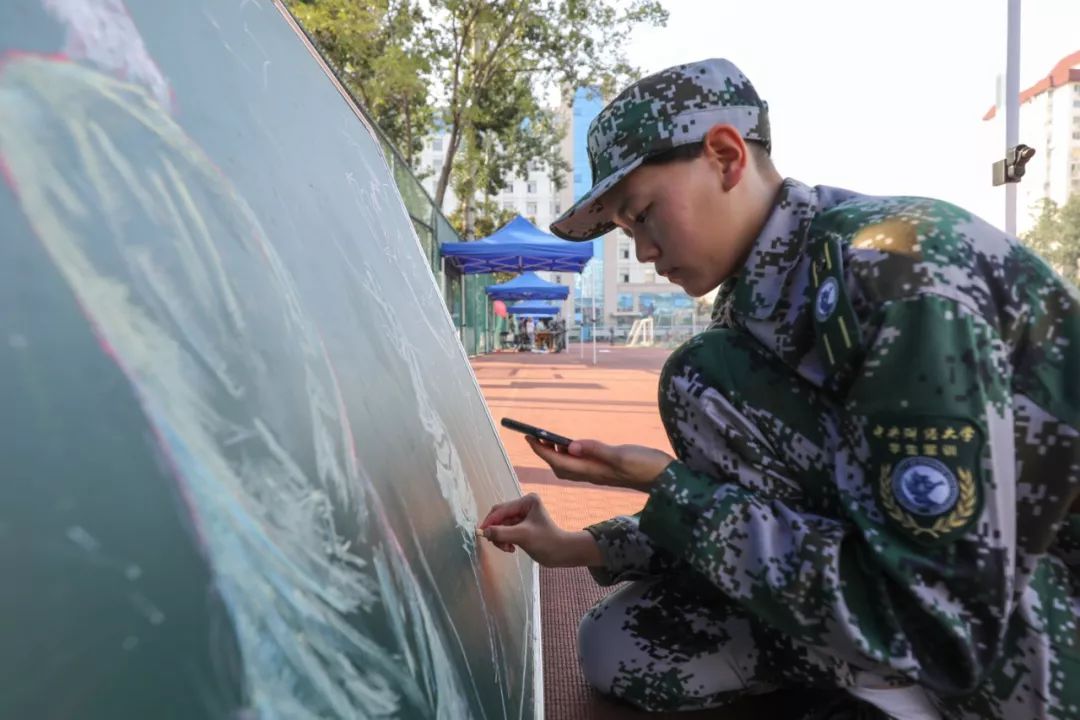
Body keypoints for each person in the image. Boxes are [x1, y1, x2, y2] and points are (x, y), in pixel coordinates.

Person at [478, 58, 1080, 719]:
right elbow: (797, 504)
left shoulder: (899, 270)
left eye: (644, 214)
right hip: (897, 591)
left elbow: (945, 612)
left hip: (1018, 630)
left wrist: (671, 488)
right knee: (623, 645)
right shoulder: (756, 299)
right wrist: (581, 544)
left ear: (726, 156)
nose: (644, 250)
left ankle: (905, 700)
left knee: (699, 380)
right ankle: (872, 683)